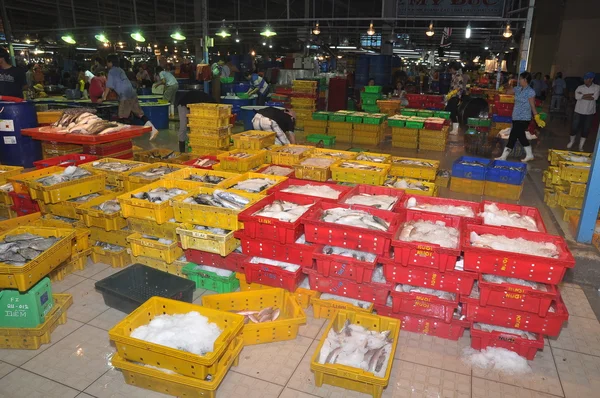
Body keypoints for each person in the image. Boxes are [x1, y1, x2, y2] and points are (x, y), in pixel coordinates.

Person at [100, 53, 158, 140]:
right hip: (132, 93)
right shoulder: (120, 70)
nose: (107, 64)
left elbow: (109, 86)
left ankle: (124, 138)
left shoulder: (112, 71)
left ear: (110, 62)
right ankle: (153, 129)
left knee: (122, 117)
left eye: (107, 62)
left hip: (125, 95)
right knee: (139, 114)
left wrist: (104, 97)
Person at [496, 72, 545, 162]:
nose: (519, 80)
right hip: (515, 117)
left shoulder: (530, 92)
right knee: (519, 136)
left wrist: (536, 117)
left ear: (525, 80)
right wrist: (505, 86)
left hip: (524, 118)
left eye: (521, 79)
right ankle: (529, 155)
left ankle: (504, 157)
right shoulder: (518, 89)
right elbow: (507, 92)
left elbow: (532, 105)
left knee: (514, 136)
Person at [568, 72, 600, 150]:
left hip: (589, 112)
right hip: (578, 111)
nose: (585, 80)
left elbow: (594, 98)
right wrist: (588, 95)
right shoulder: (580, 87)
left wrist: (582, 95)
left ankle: (581, 145)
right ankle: (571, 141)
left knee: (586, 129)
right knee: (574, 127)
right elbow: (576, 96)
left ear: (592, 79)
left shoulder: (597, 87)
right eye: (585, 79)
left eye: (587, 79)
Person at [445, 62, 465, 135]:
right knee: (448, 111)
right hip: (451, 96)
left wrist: (453, 92)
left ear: (453, 68)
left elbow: (460, 87)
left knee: (452, 113)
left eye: (450, 69)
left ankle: (455, 130)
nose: (450, 70)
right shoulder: (453, 76)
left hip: (455, 97)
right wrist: (449, 94)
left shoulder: (459, 76)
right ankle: (452, 127)